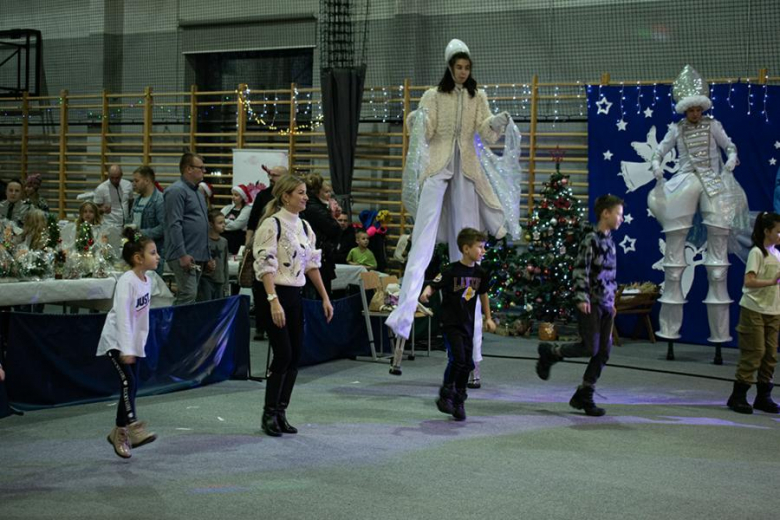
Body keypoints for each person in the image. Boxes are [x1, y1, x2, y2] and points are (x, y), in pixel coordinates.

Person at [384, 38, 517, 376]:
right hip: (438, 168)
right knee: (422, 244)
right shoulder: (433, 95)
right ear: (450, 67)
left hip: (467, 170)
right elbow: (425, 132)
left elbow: (485, 136)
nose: (463, 72)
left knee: (468, 255)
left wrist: (496, 122)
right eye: (458, 67)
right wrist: (417, 118)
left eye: (467, 67)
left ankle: (472, 358)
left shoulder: (477, 96)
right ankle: (401, 322)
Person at [648, 65, 746, 344]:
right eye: (690, 110)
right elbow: (660, 151)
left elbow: (729, 146)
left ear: (702, 108)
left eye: (698, 110)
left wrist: (730, 159)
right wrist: (656, 165)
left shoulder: (713, 125)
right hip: (684, 182)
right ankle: (669, 329)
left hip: (712, 183)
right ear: (684, 110)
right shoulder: (676, 129)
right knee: (674, 259)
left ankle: (719, 333)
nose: (695, 114)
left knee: (717, 264)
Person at [253, 174, 333, 437]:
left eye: (305, 192)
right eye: (300, 192)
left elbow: (311, 265)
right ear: (285, 196)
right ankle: (268, 412)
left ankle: (281, 412)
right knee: (284, 354)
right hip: (273, 295)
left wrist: (324, 296)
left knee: (296, 356)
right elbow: (265, 265)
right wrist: (272, 300)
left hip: (296, 295)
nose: (305, 197)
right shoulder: (271, 225)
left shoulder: (306, 227)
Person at [536, 194, 624, 416]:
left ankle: (585, 393)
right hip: (591, 303)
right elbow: (580, 269)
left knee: (604, 351)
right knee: (590, 347)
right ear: (606, 214)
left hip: (605, 303)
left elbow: (611, 275)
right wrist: (582, 297)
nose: (621, 219)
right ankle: (551, 352)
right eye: (618, 214)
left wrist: (612, 300)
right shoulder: (590, 240)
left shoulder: (610, 242)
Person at [96, 228, 160, 458]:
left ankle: (118, 432)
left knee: (132, 387)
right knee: (128, 383)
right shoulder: (127, 281)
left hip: (132, 344)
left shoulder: (147, 280)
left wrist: (137, 346)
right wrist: (125, 347)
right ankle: (131, 426)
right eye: (153, 253)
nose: (158, 256)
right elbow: (123, 316)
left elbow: (141, 317)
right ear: (138, 258)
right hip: (117, 342)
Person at [420, 228, 495, 421]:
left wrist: (488, 317)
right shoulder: (451, 270)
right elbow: (434, 284)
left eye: (483, 247)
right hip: (451, 323)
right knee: (458, 359)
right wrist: (426, 293)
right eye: (479, 247)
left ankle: (459, 399)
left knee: (467, 364)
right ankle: (446, 394)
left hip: (468, 325)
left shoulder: (480, 273)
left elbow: (483, 294)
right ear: (466, 248)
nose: (483, 251)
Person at [727, 212, 780, 414]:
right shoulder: (757, 253)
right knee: (755, 351)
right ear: (767, 231)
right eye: (778, 231)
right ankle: (738, 395)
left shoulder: (777, 254)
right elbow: (749, 281)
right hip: (754, 308)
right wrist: (771, 281)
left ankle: (763, 396)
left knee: (770, 354)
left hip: (773, 310)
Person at [246, 165, 288, 341]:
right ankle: (261, 326)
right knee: (261, 288)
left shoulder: (288, 197)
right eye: (270, 174)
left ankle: (278, 325)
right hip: (264, 245)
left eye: (276, 175)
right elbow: (252, 222)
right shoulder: (263, 195)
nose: (271, 177)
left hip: (283, 249)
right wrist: (248, 246)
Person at [164, 153, 209, 305]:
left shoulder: (198, 192)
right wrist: (182, 254)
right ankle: (172, 327)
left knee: (192, 295)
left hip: (198, 253)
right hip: (183, 253)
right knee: (188, 294)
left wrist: (207, 255)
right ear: (189, 169)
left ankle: (183, 327)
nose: (204, 170)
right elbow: (174, 224)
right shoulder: (176, 191)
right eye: (201, 168)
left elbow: (202, 224)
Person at [301, 173, 341, 296]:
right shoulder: (314, 207)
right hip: (319, 254)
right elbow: (334, 229)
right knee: (319, 294)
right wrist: (332, 216)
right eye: (326, 192)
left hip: (315, 253)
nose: (328, 195)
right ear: (318, 191)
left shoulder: (312, 206)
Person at [131, 166, 166, 275]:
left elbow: (163, 228)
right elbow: (131, 221)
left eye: (136, 180)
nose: (133, 184)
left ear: (147, 181)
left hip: (154, 253)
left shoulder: (159, 200)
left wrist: (140, 233)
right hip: (138, 250)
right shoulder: (137, 200)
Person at [198, 209, 229, 301]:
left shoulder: (224, 242)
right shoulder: (204, 240)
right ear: (211, 224)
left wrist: (226, 283)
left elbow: (225, 263)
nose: (223, 225)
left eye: (224, 222)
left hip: (220, 280)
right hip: (206, 280)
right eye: (220, 223)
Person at [93, 164, 133, 229]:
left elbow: (131, 202)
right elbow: (94, 210)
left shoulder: (128, 185)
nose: (114, 180)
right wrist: (102, 210)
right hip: (109, 226)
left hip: (126, 225)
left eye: (117, 178)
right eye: (112, 178)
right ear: (108, 175)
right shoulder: (101, 188)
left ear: (121, 175)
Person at [221, 184, 253, 255]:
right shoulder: (227, 208)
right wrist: (230, 222)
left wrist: (223, 222)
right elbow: (217, 220)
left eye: (236, 195)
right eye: (232, 195)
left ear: (243, 197)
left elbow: (236, 225)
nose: (233, 197)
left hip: (237, 241)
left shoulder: (247, 209)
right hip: (223, 241)